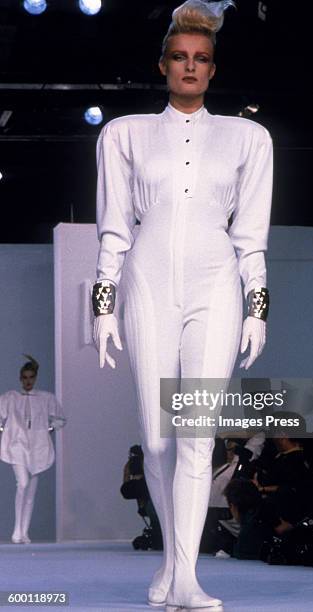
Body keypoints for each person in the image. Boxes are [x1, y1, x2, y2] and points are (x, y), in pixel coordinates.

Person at [92, 0, 273, 608]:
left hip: (217, 285)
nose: (190, 67)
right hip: (146, 284)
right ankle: (173, 565)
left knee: (196, 434)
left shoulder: (248, 138)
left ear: (213, 70)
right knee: (158, 435)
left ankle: (187, 578)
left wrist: (257, 307)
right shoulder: (124, 133)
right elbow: (113, 230)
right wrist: (102, 305)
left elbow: (252, 236)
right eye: (180, 57)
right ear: (162, 64)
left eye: (201, 59)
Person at [0, 355, 66, 544]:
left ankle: (24, 532)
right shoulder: (11, 398)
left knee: (31, 489)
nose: (28, 381)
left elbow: (60, 420)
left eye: (31, 377)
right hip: (16, 444)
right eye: (25, 377)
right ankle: (16, 530)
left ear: (35, 378)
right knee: (22, 482)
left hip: (38, 446)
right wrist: (5, 431)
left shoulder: (45, 398)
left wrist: (48, 430)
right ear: (20, 378)